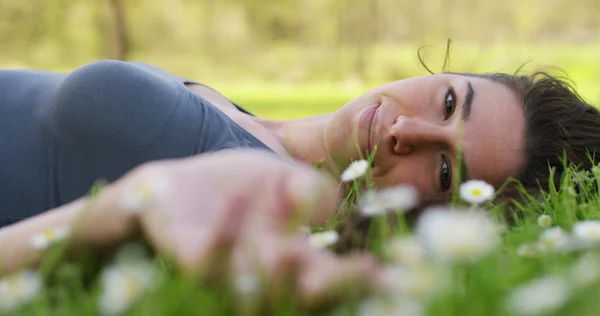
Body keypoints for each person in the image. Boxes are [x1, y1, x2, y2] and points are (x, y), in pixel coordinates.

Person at [0, 60, 599, 305]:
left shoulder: (262, 195)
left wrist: (131, 204)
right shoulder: (269, 133)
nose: (407, 130)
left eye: (446, 171)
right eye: (449, 101)